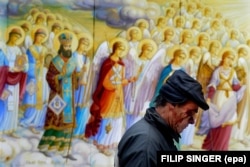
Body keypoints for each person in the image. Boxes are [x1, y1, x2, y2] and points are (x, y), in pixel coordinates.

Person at [117, 70, 209, 167]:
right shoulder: (146, 144)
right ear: (172, 104)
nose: (192, 121)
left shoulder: (160, 135)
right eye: (189, 113)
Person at [37, 31, 78, 160]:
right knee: (55, 122)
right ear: (61, 47)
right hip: (57, 96)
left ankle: (65, 150)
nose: (68, 48)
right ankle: (45, 147)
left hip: (69, 96)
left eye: (69, 46)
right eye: (66, 46)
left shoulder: (72, 61)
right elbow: (49, 77)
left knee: (68, 124)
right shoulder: (55, 61)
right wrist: (59, 76)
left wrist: (77, 76)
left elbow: (73, 77)